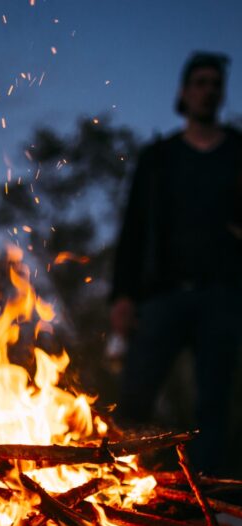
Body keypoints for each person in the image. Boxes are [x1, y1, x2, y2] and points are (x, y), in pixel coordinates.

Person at [110, 52, 242, 473]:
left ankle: (208, 508)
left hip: (221, 296)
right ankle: (112, 484)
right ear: (184, 93)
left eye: (215, 83)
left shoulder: (239, 152)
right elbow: (133, 229)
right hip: (162, 296)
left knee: (214, 406)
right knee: (134, 397)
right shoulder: (159, 158)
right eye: (200, 82)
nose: (208, 90)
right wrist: (122, 296)